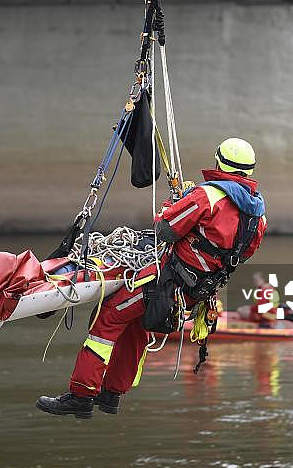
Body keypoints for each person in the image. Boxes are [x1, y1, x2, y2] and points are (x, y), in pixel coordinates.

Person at [36, 137, 267, 418]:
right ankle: (111, 395)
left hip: (165, 283)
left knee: (108, 318)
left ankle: (81, 395)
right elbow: (239, 254)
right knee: (136, 326)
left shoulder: (206, 197)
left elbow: (164, 230)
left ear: (218, 161)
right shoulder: (258, 216)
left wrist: (173, 204)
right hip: (195, 293)